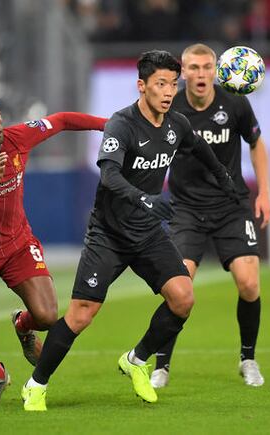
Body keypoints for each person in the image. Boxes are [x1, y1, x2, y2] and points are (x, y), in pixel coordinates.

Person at [21, 50, 240, 412]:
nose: (168, 92)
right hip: (109, 234)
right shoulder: (122, 124)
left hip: (148, 233)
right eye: (160, 84)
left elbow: (199, 148)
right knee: (81, 314)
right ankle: (36, 385)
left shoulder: (176, 124)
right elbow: (109, 175)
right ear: (142, 86)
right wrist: (144, 199)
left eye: (173, 84)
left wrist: (223, 177)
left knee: (183, 298)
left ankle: (136, 360)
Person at [0, 95, 106, 404]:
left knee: (47, 315)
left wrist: (108, 125)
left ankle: (22, 325)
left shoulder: (17, 137)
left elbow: (61, 120)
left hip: (16, 245)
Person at [150, 43, 270, 389]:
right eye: (194, 68)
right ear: (183, 72)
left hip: (231, 205)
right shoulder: (170, 107)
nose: (201, 74)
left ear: (216, 71)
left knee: (249, 283)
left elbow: (256, 143)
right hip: (187, 209)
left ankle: (248, 359)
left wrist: (264, 192)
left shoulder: (235, 102)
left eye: (207, 67)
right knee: (179, 287)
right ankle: (161, 365)